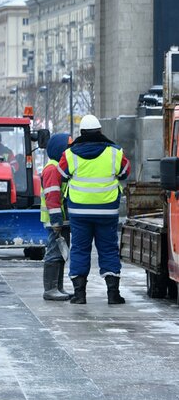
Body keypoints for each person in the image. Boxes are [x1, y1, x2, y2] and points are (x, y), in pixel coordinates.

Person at [58, 114, 130, 305]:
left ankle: (79, 294)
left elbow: (62, 174)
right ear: (100, 131)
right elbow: (125, 172)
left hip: (79, 212)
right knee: (108, 249)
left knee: (80, 249)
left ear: (81, 133)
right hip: (107, 211)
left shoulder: (69, 154)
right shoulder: (115, 152)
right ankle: (113, 293)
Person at [40, 133, 72, 301]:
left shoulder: (57, 168)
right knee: (54, 253)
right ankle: (51, 289)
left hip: (61, 220)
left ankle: (58, 287)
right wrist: (56, 221)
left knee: (60, 253)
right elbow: (52, 197)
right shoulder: (52, 169)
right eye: (67, 149)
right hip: (56, 221)